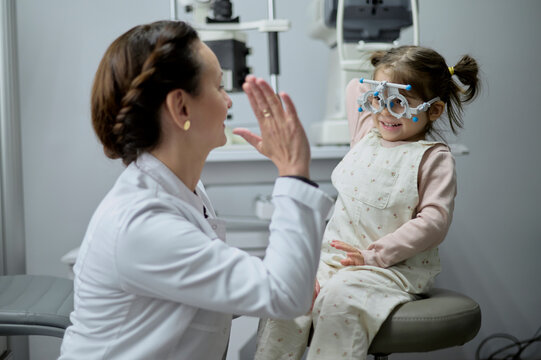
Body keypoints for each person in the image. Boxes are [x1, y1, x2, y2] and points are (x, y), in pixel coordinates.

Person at [59, 20, 333, 360]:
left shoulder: (184, 190)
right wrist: (293, 171)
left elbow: (201, 291)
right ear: (181, 108)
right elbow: (284, 295)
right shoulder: (142, 222)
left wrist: (284, 279)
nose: (228, 104)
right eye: (219, 87)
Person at [255, 45, 480, 360]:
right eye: (378, 99)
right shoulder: (366, 132)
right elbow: (355, 87)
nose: (385, 112)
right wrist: (384, 79)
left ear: (435, 110)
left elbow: (433, 223)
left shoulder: (434, 158)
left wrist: (373, 255)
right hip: (333, 258)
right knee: (288, 295)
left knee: (340, 300)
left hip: (391, 267)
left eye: (399, 102)